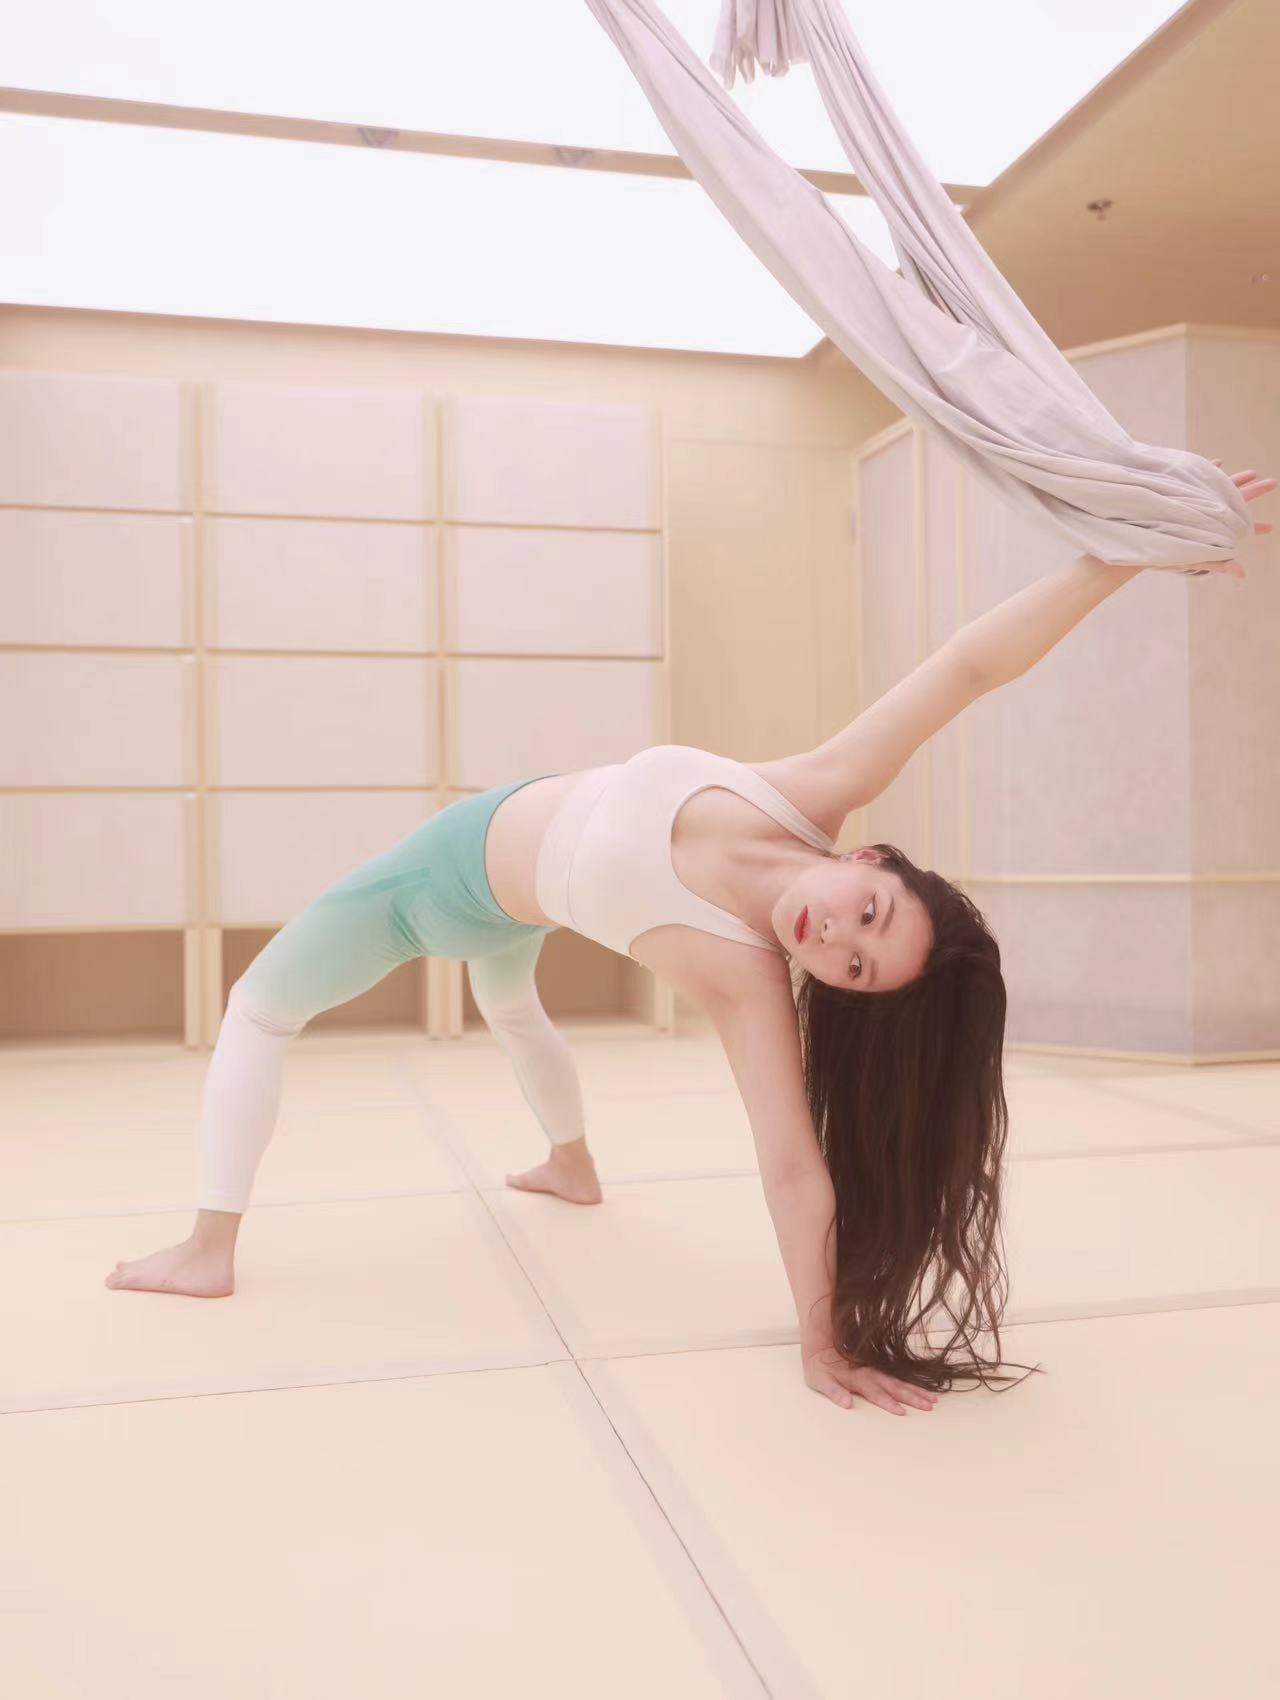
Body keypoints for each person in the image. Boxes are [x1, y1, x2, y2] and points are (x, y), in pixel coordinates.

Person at [106, 465, 1274, 1416]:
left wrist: (821, 1337)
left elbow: (791, 1164)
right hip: (518, 893)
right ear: (870, 858)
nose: (833, 936)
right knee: (509, 998)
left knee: (259, 1003)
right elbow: (970, 667)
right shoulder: (813, 788)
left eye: (851, 968)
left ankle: (208, 1244)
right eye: (866, 915)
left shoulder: (740, 973)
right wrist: (1118, 559)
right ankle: (570, 1163)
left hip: (440, 880)